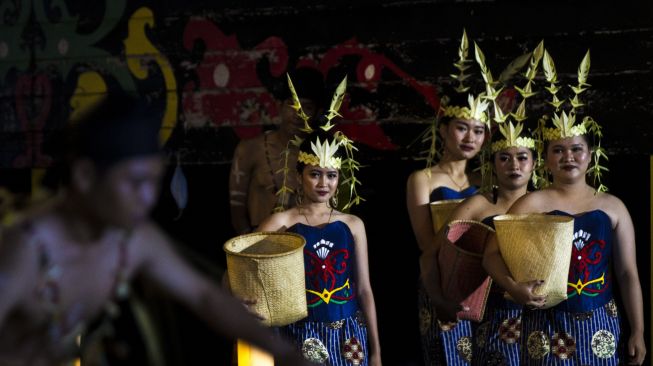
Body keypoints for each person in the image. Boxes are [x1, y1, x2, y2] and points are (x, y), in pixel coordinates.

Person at [0, 93, 311, 366]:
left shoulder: (132, 239)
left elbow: (205, 297)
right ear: (84, 176)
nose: (148, 198)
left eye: (153, 181)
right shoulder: (28, 248)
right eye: (135, 182)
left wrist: (287, 355)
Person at [482, 50, 646, 365]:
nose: (568, 156)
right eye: (558, 150)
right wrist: (514, 288)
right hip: (545, 325)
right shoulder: (532, 202)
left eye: (576, 149)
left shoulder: (613, 207)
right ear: (545, 159)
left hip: (600, 322)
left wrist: (638, 330)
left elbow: (627, 273)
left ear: (590, 155)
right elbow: (491, 255)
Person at [257, 76, 381, 365]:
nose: (324, 183)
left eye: (331, 175)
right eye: (315, 174)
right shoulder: (280, 222)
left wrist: (376, 351)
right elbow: (244, 269)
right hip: (301, 334)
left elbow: (364, 289)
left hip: (352, 335)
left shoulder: (353, 224)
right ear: (299, 176)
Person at [406, 30, 489, 365]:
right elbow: (428, 244)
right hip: (441, 280)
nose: (471, 137)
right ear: (443, 129)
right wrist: (442, 295)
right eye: (462, 127)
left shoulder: (486, 180)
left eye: (479, 130)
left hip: (486, 283)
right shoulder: (421, 179)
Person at [229, 68, 324, 234]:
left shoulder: (325, 155)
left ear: (317, 113)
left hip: (307, 248)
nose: (297, 114)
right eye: (291, 104)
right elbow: (237, 212)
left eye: (307, 108)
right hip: (260, 244)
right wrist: (254, 247)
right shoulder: (250, 149)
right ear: (279, 106)